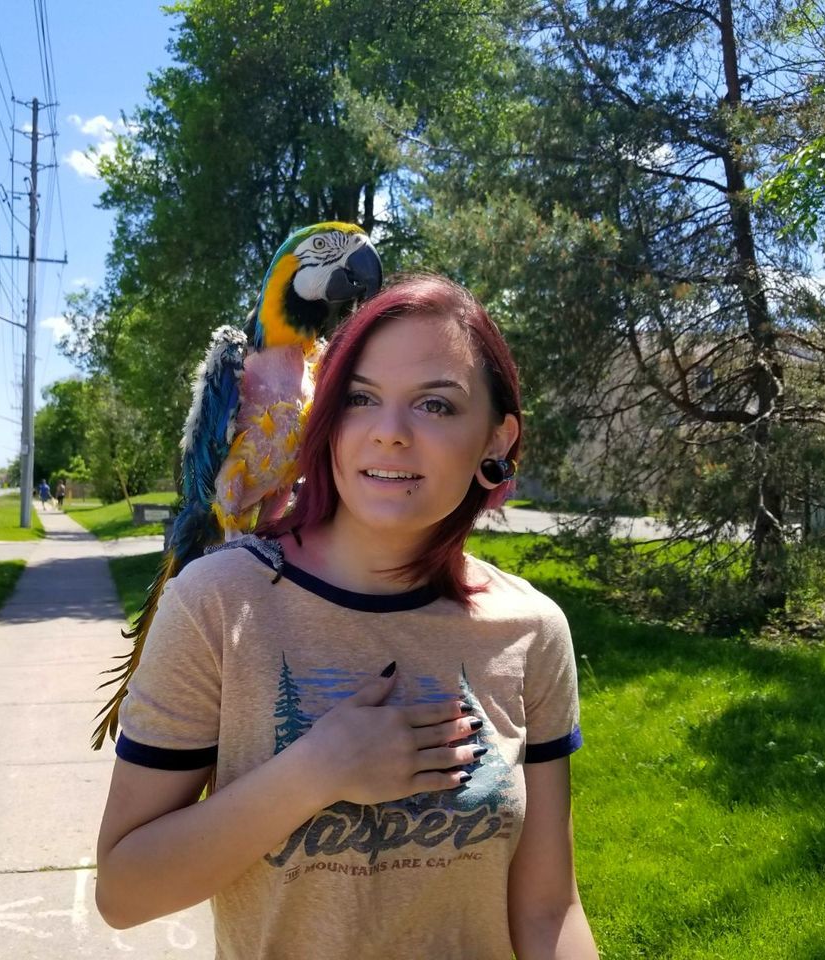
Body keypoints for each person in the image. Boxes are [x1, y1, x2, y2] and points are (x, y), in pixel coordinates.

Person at [94, 274, 597, 959]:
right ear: (327, 419)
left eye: (436, 405)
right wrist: (316, 771)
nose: (389, 434)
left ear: (498, 438)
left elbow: (548, 911)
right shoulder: (217, 606)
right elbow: (125, 892)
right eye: (361, 399)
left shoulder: (533, 631)